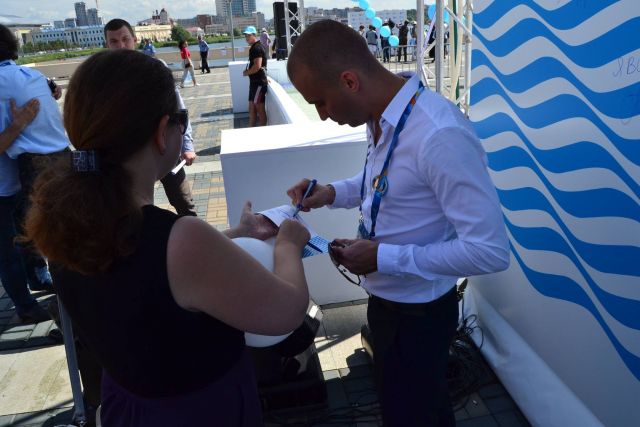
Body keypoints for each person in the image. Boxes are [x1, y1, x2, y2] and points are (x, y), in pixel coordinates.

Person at [24, 49, 311, 426]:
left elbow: (148, 273)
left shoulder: (64, 221)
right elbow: (285, 312)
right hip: (199, 411)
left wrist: (237, 234)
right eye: (182, 119)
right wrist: (289, 242)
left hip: (127, 405)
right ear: (162, 132)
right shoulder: (179, 237)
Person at [285, 20, 509, 426]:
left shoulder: (439, 134)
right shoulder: (382, 117)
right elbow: (384, 183)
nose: (320, 116)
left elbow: (489, 250)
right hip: (387, 307)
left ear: (349, 81)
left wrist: (384, 257)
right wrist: (331, 192)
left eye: (320, 101)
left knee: (421, 413)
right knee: (400, 409)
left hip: (420, 317)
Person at [0, 23, 70, 293]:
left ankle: (41, 286)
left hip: (32, 168)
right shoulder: (33, 75)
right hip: (61, 158)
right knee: (57, 229)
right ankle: (52, 282)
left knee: (27, 233)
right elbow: (51, 89)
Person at [104, 19, 198, 217]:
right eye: (114, 41)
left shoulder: (154, 68)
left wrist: (186, 146)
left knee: (184, 204)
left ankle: (199, 243)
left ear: (135, 39)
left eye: (125, 39)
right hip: (129, 155)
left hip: (164, 149)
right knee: (135, 210)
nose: (121, 45)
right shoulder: (104, 78)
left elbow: (178, 108)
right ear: (106, 44)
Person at [0, 97, 50, 323]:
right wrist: (19, 123)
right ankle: (25, 306)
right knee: (8, 253)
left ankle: (37, 278)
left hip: (13, 182)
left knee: (28, 237)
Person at [242, 26, 268, 127]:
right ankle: (250, 131)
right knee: (252, 109)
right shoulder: (254, 47)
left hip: (259, 84)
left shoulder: (257, 48)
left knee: (260, 109)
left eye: (249, 35)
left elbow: (257, 66)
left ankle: (262, 134)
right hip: (255, 84)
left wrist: (246, 72)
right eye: (245, 35)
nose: (246, 37)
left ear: (254, 35)